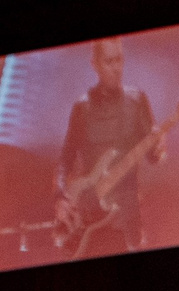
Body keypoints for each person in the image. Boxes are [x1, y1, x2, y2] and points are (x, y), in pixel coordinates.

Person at [55, 37, 165, 259]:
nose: (116, 68)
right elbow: (65, 159)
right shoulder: (82, 107)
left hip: (127, 217)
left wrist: (159, 147)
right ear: (95, 64)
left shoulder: (137, 100)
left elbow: (153, 157)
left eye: (119, 60)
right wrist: (60, 197)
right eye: (109, 62)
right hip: (90, 216)